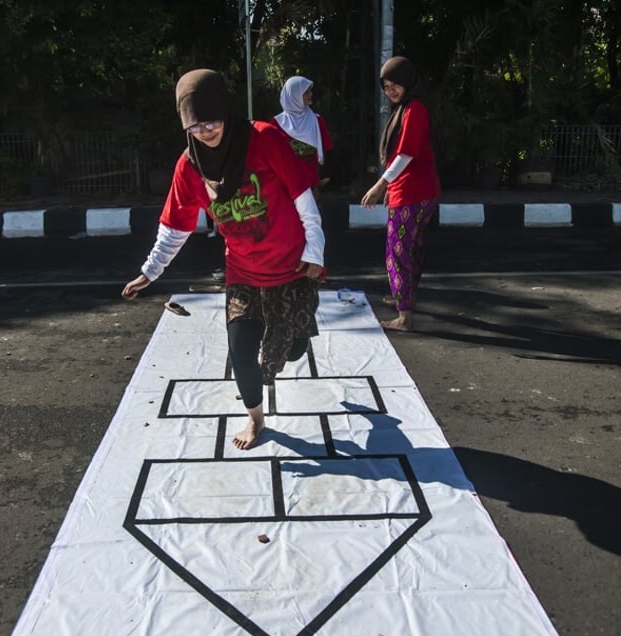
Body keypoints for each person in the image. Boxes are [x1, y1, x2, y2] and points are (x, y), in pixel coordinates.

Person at [122, 69, 325, 450]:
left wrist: (315, 249)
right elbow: (175, 227)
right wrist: (149, 272)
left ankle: (292, 343)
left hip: (291, 267)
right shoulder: (189, 166)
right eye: (195, 127)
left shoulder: (264, 138)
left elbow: (303, 196)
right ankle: (256, 420)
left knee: (292, 348)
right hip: (243, 271)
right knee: (241, 352)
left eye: (212, 122)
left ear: (226, 113)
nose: (205, 132)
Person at [359, 56, 441, 332]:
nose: (390, 90)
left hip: (412, 191)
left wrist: (380, 185)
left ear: (407, 82)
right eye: (386, 86)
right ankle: (405, 298)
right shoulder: (406, 108)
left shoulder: (414, 109)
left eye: (395, 84)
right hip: (412, 189)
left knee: (398, 252)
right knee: (410, 249)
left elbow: (405, 154)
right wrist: (390, 187)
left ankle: (404, 316)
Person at [270, 75, 333, 198]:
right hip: (285, 189)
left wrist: (318, 183)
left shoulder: (316, 120)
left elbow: (325, 152)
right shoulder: (276, 124)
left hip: (311, 189)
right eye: (306, 92)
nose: (311, 94)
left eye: (310, 91)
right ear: (294, 95)